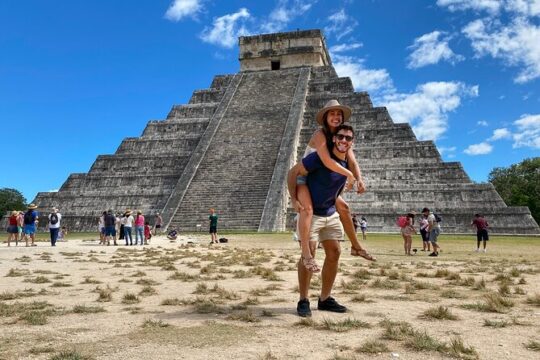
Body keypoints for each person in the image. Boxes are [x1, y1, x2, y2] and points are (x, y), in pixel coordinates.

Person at [294, 100, 374, 273]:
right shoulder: (320, 135)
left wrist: (359, 179)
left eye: (339, 114)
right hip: (304, 179)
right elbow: (327, 161)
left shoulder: (341, 137)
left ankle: (356, 246)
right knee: (307, 210)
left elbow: (352, 161)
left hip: (321, 182)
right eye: (332, 113)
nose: (336, 117)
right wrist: (349, 175)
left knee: (344, 208)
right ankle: (306, 253)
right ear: (325, 117)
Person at [288, 124, 357, 317]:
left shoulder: (346, 161)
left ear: (352, 142)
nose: (344, 140)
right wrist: (293, 199)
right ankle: (303, 299)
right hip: (310, 208)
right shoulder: (319, 154)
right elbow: (294, 173)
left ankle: (325, 299)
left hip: (329, 210)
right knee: (308, 252)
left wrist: (356, 179)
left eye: (348, 138)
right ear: (333, 139)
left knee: (334, 252)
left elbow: (351, 168)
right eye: (341, 137)